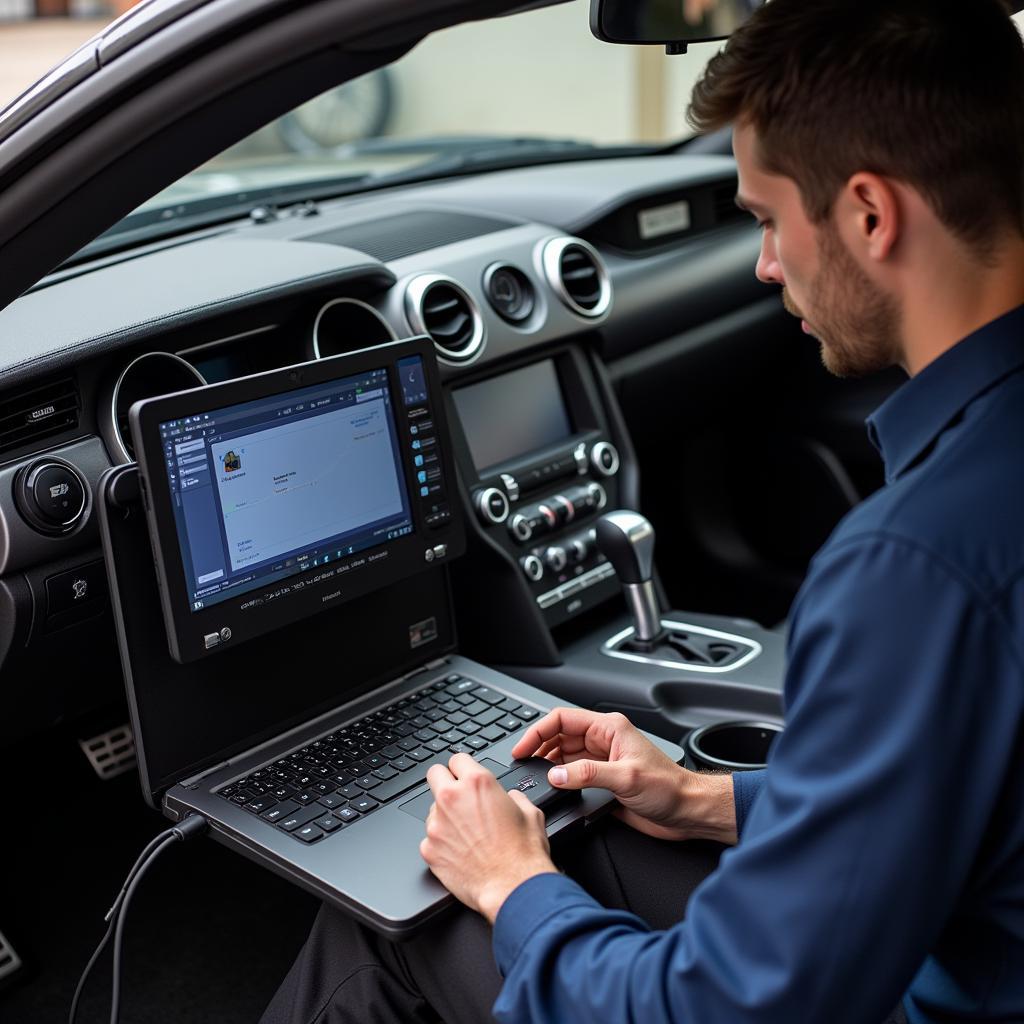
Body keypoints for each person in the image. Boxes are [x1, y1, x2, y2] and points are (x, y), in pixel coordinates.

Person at [262, 0, 1024, 1020]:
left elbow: (719, 1009)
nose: (762, 266)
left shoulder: (916, 568)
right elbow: (959, 794)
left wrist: (513, 885)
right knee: (610, 830)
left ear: (869, 214)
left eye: (763, 218)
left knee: (399, 924)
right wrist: (707, 797)